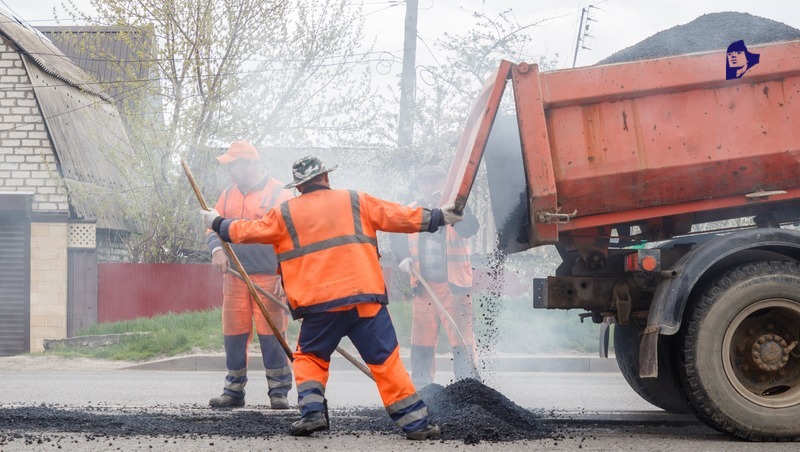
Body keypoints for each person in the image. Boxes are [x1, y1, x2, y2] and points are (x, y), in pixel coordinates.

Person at [201, 156, 462, 440]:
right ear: (326, 177)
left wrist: (217, 223)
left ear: (299, 187)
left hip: (319, 305)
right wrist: (439, 216)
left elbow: (247, 231)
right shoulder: (356, 200)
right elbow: (398, 216)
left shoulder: (284, 213)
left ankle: (312, 413)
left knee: (309, 358)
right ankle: (417, 424)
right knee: (386, 362)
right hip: (365, 301)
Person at [205, 141, 293, 410]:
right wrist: (217, 251)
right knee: (234, 333)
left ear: (251, 163)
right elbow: (212, 228)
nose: (230, 170)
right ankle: (233, 390)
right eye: (229, 165)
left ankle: (278, 391)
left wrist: (285, 276)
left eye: (234, 165)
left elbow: (291, 238)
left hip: (268, 277)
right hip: (234, 276)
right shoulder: (227, 195)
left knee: (272, 334)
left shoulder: (279, 193)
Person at [390, 165, 481, 388]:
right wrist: (403, 257)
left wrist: (454, 211)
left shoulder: (457, 208)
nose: (432, 187)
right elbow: (397, 233)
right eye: (427, 183)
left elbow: (470, 229)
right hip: (424, 286)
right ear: (421, 186)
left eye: (437, 182)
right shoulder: (413, 210)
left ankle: (467, 383)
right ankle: (422, 384)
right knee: (422, 335)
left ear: (444, 183)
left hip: (454, 286)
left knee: (461, 336)